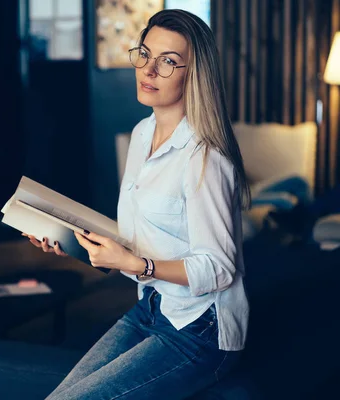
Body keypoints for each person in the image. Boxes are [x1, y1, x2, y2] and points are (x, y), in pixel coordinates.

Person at [23, 9, 251, 399]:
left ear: (193, 74)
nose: (148, 70)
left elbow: (218, 268)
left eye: (168, 62)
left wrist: (136, 265)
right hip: (151, 307)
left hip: (201, 331)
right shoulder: (142, 133)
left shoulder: (204, 158)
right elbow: (141, 236)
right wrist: (72, 241)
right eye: (145, 54)